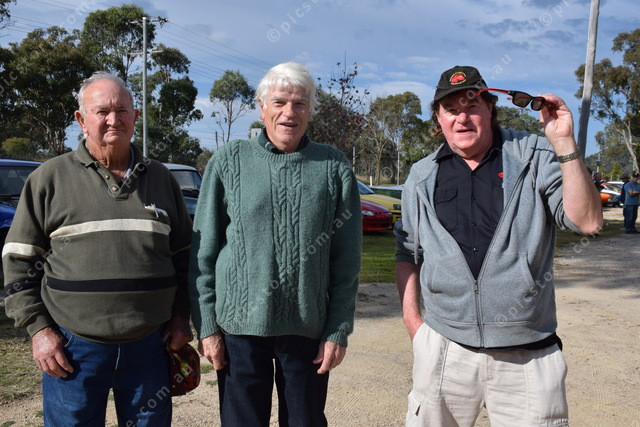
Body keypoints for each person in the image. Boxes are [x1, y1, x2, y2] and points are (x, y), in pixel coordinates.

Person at [395, 65, 603, 426]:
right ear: (439, 118)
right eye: (450, 109)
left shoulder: (534, 154)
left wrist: (565, 144)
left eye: (472, 106)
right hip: (444, 350)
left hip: (527, 357)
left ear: (490, 108)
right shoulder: (422, 175)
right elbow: (407, 251)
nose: (462, 118)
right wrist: (415, 325)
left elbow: (588, 222)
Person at [2, 72, 193, 426]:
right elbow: (18, 259)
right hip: (72, 347)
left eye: (122, 110)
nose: (113, 119)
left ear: (135, 117)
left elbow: (185, 256)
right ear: (81, 119)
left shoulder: (162, 178)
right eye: (102, 111)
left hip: (150, 345)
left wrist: (181, 316)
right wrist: (39, 330)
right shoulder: (49, 178)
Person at [188, 61, 362, 426]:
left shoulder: (333, 166)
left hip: (307, 328)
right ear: (262, 106)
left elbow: (346, 259)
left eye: (300, 103)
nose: (289, 112)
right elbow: (203, 252)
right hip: (239, 328)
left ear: (310, 110)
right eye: (280, 102)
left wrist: (338, 329)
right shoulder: (228, 162)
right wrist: (207, 326)